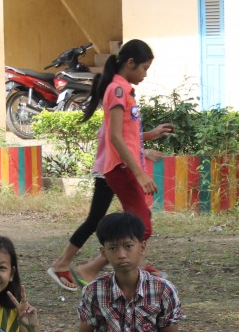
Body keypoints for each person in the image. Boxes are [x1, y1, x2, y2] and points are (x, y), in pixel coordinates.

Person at [46, 39, 172, 291]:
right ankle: (91, 268)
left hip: (117, 165)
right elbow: (114, 136)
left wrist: (147, 139)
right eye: (144, 68)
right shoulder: (117, 91)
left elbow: (124, 133)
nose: (146, 74)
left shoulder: (122, 89)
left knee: (101, 219)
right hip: (119, 167)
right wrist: (139, 173)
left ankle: (69, 264)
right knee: (141, 224)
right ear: (130, 63)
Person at [64, 212, 204, 332]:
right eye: (113, 248)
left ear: (142, 247)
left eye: (128, 246)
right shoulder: (94, 291)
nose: (121, 254)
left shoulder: (163, 289)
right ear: (103, 253)